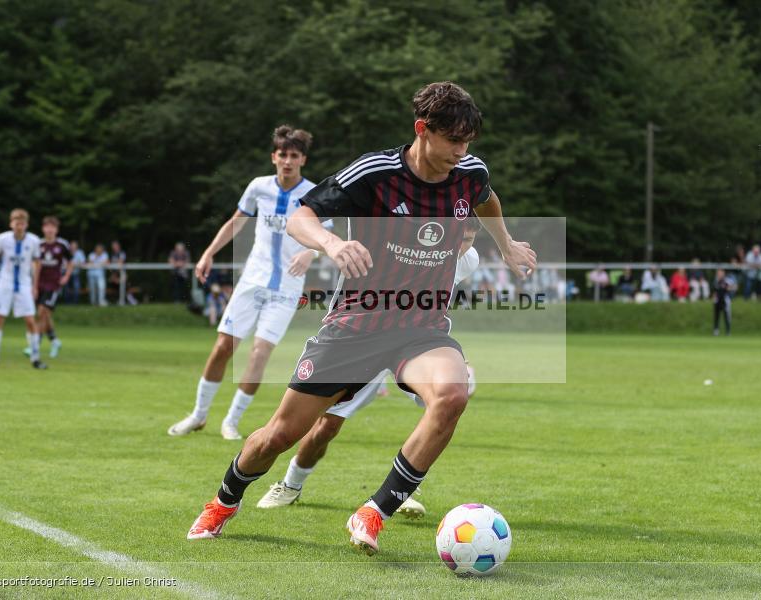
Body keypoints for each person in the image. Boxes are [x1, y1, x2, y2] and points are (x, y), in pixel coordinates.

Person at [184, 82, 537, 554]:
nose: (461, 151)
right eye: (452, 139)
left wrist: (507, 244)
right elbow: (300, 216)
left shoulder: (469, 172)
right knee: (278, 436)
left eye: (468, 141)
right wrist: (331, 243)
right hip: (357, 325)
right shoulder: (375, 173)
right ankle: (224, 501)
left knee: (452, 395)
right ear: (422, 130)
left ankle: (373, 512)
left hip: (421, 328)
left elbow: (486, 198)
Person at [255, 218, 482, 514]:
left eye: (468, 240)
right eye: (458, 238)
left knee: (441, 405)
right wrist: (316, 250)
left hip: (413, 345)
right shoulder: (409, 240)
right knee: (327, 425)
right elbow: (344, 236)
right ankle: (290, 484)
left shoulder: (468, 260)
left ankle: (398, 489)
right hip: (364, 338)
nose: (460, 246)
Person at [168, 125, 321, 441]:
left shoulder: (314, 194)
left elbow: (326, 237)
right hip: (252, 281)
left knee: (259, 354)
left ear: (303, 159)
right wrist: (209, 253)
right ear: (273, 157)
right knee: (223, 347)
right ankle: (197, 415)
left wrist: (310, 252)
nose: (288, 161)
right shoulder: (258, 187)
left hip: (287, 288)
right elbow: (236, 221)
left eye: (294, 156)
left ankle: (231, 421)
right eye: (283, 155)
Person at [0, 208, 47, 369]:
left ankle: (35, 358)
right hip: (5, 283)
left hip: (24, 284)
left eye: (22, 223)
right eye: (16, 223)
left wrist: (35, 286)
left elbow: (37, 264)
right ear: (11, 224)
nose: (19, 226)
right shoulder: (3, 239)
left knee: (30, 320)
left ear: (26, 224)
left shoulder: (34, 241)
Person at [25, 216, 73, 359]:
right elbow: (34, 264)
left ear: (56, 230)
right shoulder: (38, 244)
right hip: (39, 284)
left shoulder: (62, 245)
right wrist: (33, 284)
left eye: (53, 227)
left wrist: (66, 276)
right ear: (43, 228)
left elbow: (71, 261)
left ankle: (35, 344)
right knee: (45, 314)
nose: (50, 229)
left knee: (42, 312)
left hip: (53, 284)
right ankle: (54, 340)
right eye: (47, 226)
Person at [712, 268, 736, 336]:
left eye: (720, 273)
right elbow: (714, 290)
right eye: (718, 273)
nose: (719, 274)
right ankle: (716, 330)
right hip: (717, 300)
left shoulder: (727, 280)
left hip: (725, 300)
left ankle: (728, 331)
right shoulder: (715, 281)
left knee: (727, 316)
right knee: (716, 316)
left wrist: (729, 288)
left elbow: (734, 286)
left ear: (723, 273)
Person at [108, 240, 126, 305]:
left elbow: (120, 263)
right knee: (114, 287)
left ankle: (125, 301)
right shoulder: (112, 254)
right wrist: (112, 274)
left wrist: (115, 275)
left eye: (115, 246)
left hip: (120, 273)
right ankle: (116, 301)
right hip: (114, 274)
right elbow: (109, 264)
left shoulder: (121, 253)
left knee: (123, 287)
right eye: (113, 246)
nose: (114, 247)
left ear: (118, 246)